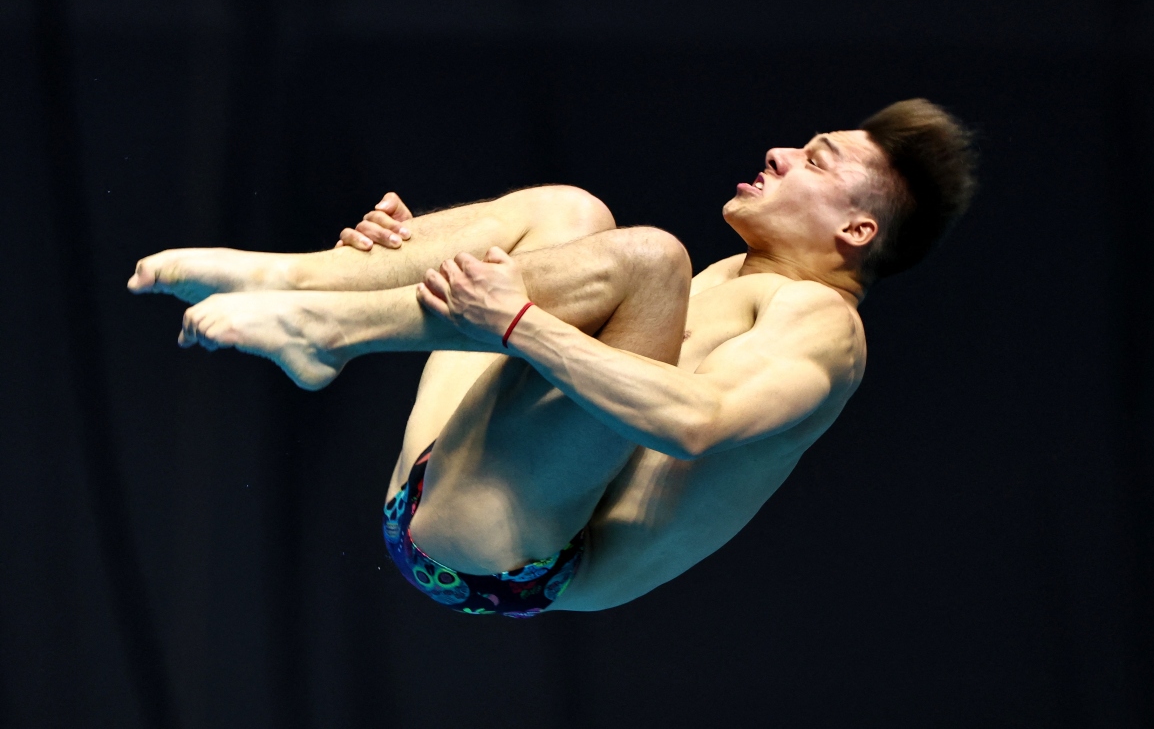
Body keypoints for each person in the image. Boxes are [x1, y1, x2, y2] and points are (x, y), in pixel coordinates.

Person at [129, 98, 976, 616]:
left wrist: (520, 320)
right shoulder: (741, 274)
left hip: (511, 559)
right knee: (575, 214)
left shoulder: (824, 328)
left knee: (649, 260)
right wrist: (417, 248)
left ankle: (325, 329)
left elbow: (695, 422)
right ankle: (299, 281)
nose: (780, 154)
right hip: (452, 476)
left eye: (813, 160)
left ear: (855, 232)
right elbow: (530, 316)